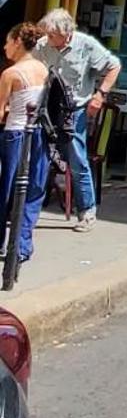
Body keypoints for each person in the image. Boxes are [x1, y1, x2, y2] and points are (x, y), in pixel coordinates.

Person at [39, 8, 118, 232]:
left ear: (66, 34)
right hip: (46, 108)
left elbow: (114, 66)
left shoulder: (86, 45)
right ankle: (29, 209)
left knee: (77, 159)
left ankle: (86, 212)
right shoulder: (43, 45)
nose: (49, 40)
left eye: (53, 35)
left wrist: (100, 95)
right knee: (38, 154)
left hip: (74, 109)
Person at [0, 25, 50, 269]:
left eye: (7, 42)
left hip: (15, 134)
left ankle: (1, 242)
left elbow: (0, 112)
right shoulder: (43, 69)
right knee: (32, 190)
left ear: (18, 41)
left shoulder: (11, 74)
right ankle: (21, 245)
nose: (4, 47)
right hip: (38, 134)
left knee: (5, 190)